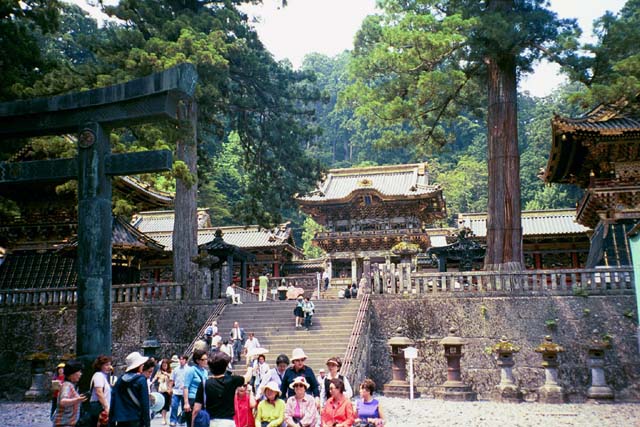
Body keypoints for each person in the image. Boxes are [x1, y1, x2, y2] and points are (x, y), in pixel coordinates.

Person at [192, 351, 253, 427]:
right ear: (225, 367)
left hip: (211, 422)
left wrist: (192, 423)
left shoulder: (204, 384)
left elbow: (196, 409)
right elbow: (247, 377)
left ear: (210, 367)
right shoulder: (232, 380)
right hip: (228, 422)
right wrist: (250, 366)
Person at [109, 351, 151, 427]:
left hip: (121, 420)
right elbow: (145, 403)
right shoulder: (141, 380)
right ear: (138, 366)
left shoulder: (120, 380)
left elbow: (113, 400)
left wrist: (111, 421)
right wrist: (147, 423)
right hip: (135, 418)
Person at [52, 360, 86, 427]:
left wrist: (78, 397)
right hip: (64, 424)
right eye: (79, 371)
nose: (80, 374)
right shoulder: (67, 386)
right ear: (72, 373)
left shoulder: (70, 385)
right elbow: (63, 401)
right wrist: (77, 400)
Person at [183, 349, 209, 427]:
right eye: (203, 359)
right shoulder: (191, 370)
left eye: (206, 359)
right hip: (192, 398)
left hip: (202, 399)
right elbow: (186, 386)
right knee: (192, 422)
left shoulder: (205, 371)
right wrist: (186, 403)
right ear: (197, 360)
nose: (205, 361)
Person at [89, 355, 113, 427]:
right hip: (99, 407)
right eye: (106, 365)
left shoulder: (104, 376)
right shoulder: (98, 375)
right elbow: (99, 392)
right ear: (100, 366)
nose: (109, 367)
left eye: (109, 364)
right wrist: (106, 407)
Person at [152, 358, 173, 425]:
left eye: (165, 365)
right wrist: (151, 381)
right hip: (161, 390)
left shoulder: (170, 372)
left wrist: (166, 374)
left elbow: (172, 378)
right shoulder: (159, 372)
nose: (164, 366)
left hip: (168, 391)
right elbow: (155, 378)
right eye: (163, 365)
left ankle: (166, 418)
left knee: (167, 405)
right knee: (163, 404)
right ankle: (164, 419)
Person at [170, 355, 188, 427]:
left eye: (183, 359)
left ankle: (182, 420)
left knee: (185, 408)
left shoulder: (189, 369)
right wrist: (170, 388)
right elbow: (172, 379)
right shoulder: (176, 369)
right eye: (180, 359)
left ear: (186, 360)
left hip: (185, 391)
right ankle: (173, 420)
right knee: (174, 406)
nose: (181, 361)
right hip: (176, 391)